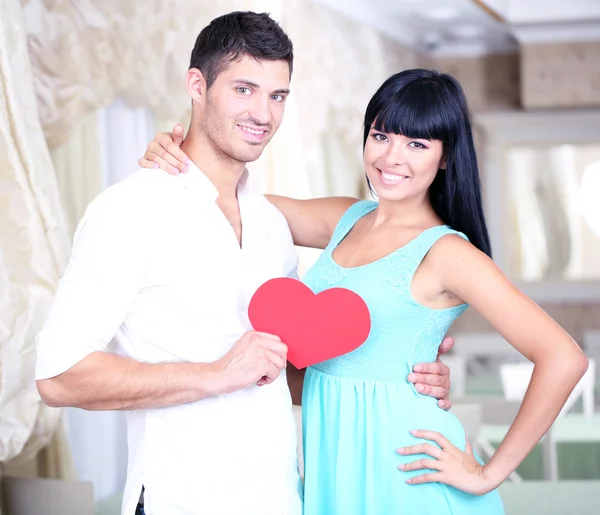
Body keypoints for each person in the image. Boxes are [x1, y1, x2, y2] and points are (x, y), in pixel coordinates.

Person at [35, 13, 453, 515]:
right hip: (179, 502)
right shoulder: (129, 211)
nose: (263, 113)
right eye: (244, 90)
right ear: (197, 85)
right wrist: (215, 374)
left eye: (277, 96)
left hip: (281, 499)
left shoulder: (271, 222)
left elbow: (279, 375)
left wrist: (401, 373)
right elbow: (58, 376)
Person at [141, 69, 589, 514]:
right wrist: (178, 156)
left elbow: (563, 357)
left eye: (417, 144)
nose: (392, 157)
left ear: (446, 156)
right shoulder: (345, 219)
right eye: (381, 135)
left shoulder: (449, 252)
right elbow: (226, 201)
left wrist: (486, 473)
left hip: (408, 469)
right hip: (331, 459)